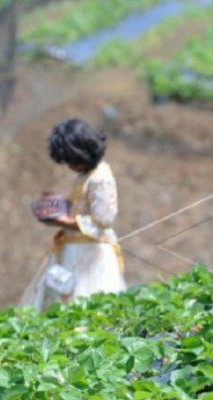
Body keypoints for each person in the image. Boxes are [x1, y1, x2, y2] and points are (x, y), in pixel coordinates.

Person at [21, 117, 126, 310]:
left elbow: (103, 220)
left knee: (84, 307)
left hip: (91, 256)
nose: (69, 166)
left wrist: (62, 220)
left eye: (71, 161)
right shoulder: (84, 175)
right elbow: (81, 205)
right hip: (73, 250)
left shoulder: (100, 178)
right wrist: (59, 204)